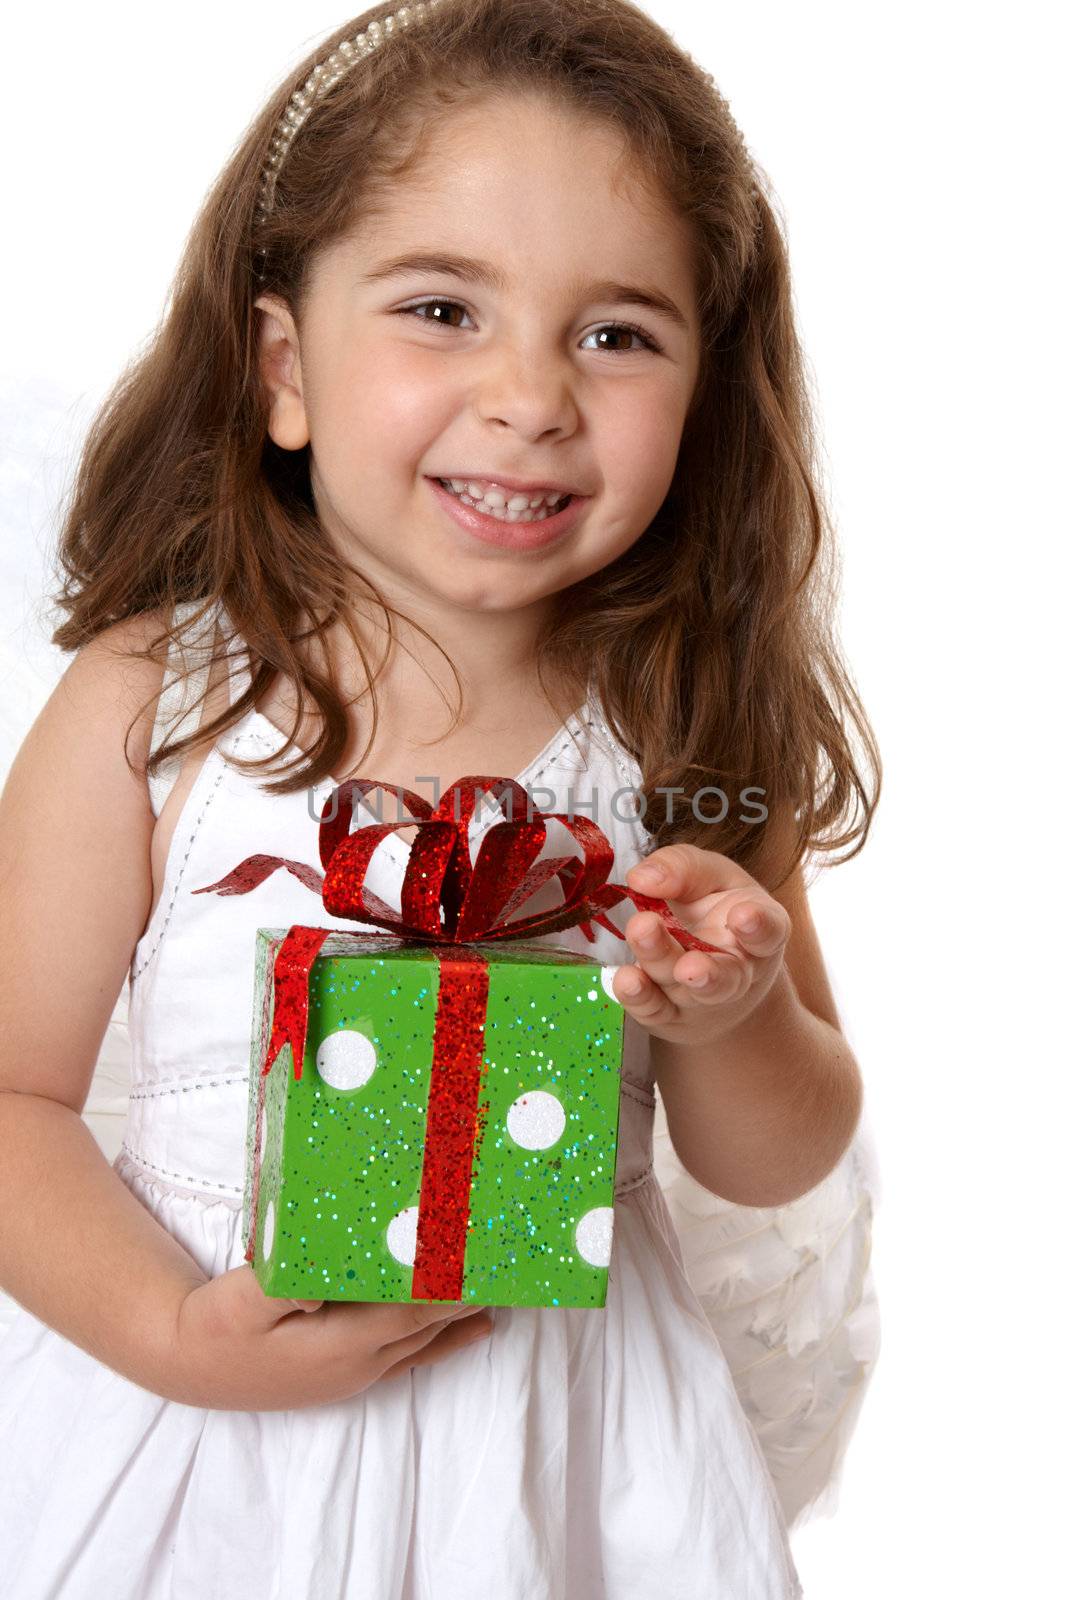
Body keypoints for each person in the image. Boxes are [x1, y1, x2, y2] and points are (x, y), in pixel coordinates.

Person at [0, 1, 883, 1594]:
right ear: (283, 367)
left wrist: (734, 1013)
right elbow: (7, 1103)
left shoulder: (680, 728)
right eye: (441, 309)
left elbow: (781, 1155)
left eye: (617, 333)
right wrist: (177, 1338)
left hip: (569, 1458)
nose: (534, 394)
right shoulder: (156, 703)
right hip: (205, 1434)